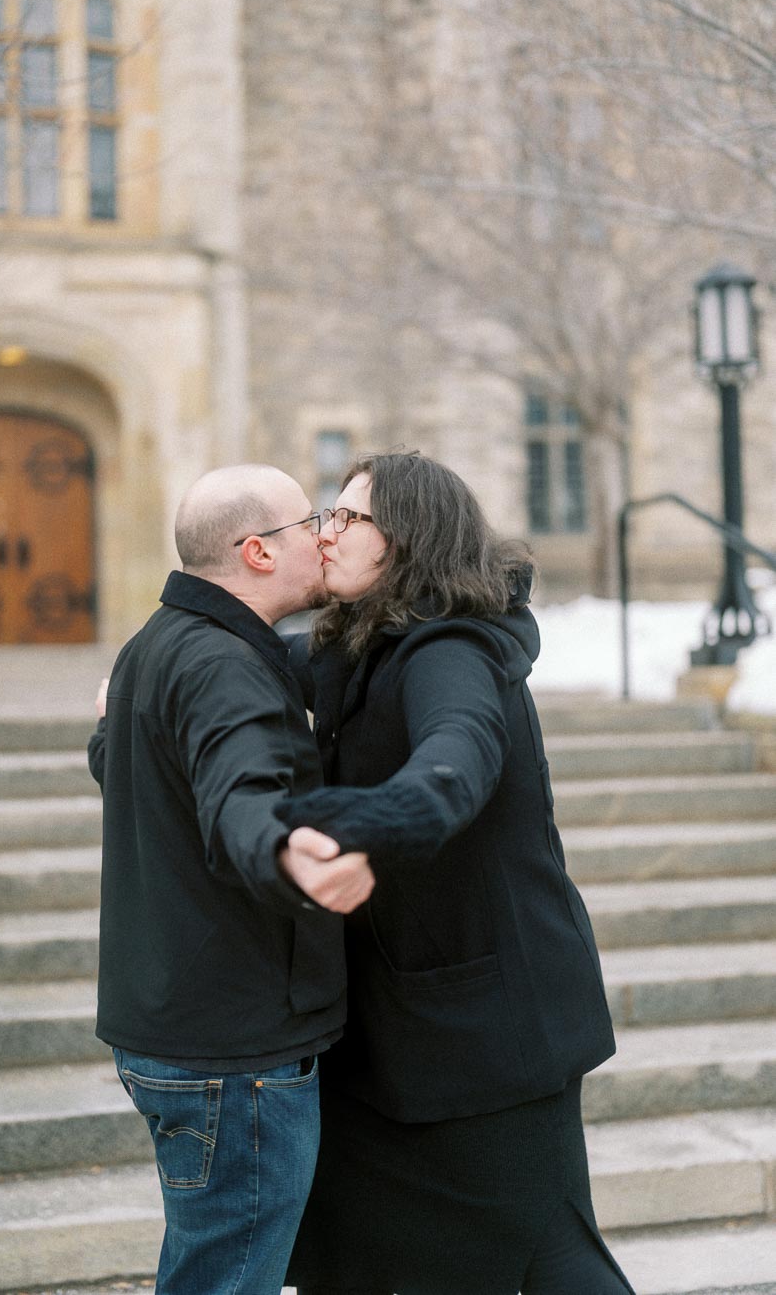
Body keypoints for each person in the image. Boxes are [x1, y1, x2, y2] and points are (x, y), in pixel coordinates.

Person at [280, 451, 636, 1295]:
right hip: (408, 1030)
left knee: (551, 1259)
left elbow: (458, 761)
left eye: (348, 518)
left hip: (493, 1032)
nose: (327, 534)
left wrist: (350, 827)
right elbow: (235, 666)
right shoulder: (357, 647)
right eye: (327, 516)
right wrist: (145, 683)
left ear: (406, 539)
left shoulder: (451, 653)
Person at [87, 464, 374, 1295]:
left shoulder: (159, 642)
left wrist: (107, 728)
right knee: (228, 1278)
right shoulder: (225, 668)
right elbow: (239, 797)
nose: (324, 536)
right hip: (231, 1049)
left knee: (210, 1264)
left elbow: (125, 762)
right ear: (256, 552)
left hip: (175, 1028)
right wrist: (286, 849)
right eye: (309, 521)